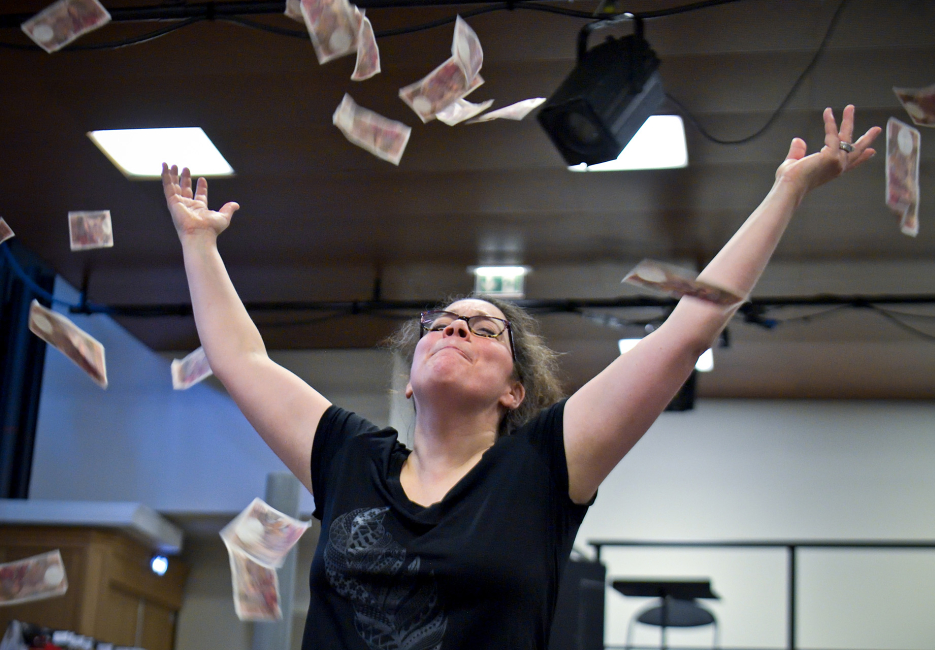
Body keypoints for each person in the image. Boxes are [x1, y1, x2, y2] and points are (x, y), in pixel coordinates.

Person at [161, 105, 880, 650]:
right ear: (409, 379)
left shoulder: (543, 466)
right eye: (438, 324)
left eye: (482, 328)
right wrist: (198, 243)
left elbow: (688, 326)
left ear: (515, 390)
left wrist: (787, 189)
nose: (452, 330)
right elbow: (241, 359)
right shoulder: (349, 457)